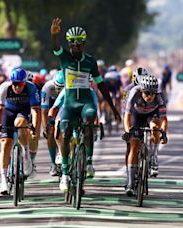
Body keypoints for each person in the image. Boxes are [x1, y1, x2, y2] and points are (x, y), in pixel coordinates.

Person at [50, 18, 121, 192]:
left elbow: (102, 85)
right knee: (65, 132)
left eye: (80, 43)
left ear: (84, 43)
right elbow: (55, 47)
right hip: (70, 103)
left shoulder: (90, 61)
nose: (77, 46)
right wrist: (53, 35)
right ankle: (65, 174)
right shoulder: (64, 57)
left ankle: (89, 162)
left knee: (89, 120)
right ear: (69, 44)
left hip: (86, 102)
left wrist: (113, 108)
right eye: (73, 43)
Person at [0, 67, 40, 194]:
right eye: (14, 84)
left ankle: (26, 154)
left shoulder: (31, 88)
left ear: (24, 83)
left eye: (19, 84)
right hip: (8, 112)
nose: (16, 87)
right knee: (5, 144)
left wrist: (35, 129)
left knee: (20, 124)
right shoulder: (4, 87)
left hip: (24, 111)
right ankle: (3, 180)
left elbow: (36, 110)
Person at [123, 74, 168, 196]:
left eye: (152, 93)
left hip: (151, 115)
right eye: (147, 93)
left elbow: (164, 119)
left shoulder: (159, 97)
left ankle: (153, 156)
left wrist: (163, 133)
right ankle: (130, 183)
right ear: (142, 90)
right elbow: (126, 116)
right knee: (134, 145)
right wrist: (128, 132)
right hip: (136, 116)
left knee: (155, 128)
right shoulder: (134, 93)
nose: (150, 96)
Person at [41, 70, 63, 176]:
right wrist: (46, 127)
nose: (59, 90)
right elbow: (44, 110)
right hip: (51, 107)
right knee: (51, 132)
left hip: (64, 106)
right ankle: (53, 163)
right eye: (58, 88)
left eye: (62, 88)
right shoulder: (47, 87)